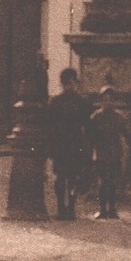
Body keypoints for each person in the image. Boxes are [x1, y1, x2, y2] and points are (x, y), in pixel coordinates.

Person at [46, 68, 90, 219]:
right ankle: (62, 208)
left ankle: (70, 208)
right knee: (62, 177)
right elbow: (49, 123)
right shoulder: (57, 102)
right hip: (64, 143)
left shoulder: (80, 102)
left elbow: (86, 124)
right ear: (64, 83)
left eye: (72, 83)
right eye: (68, 83)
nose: (70, 86)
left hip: (72, 143)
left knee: (71, 177)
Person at [87, 89, 129, 220]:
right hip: (101, 154)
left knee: (113, 182)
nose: (108, 103)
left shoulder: (118, 118)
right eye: (105, 100)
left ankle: (112, 209)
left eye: (110, 100)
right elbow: (90, 137)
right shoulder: (96, 117)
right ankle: (102, 210)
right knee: (102, 182)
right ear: (100, 102)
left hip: (115, 153)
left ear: (114, 102)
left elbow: (127, 134)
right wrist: (89, 152)